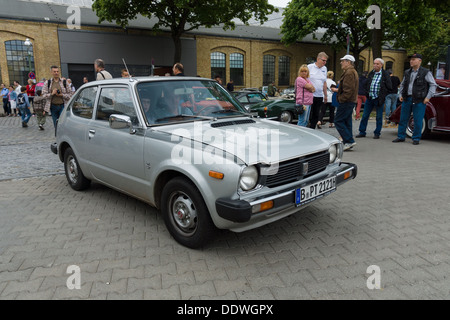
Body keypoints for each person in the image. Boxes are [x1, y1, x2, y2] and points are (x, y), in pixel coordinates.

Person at [393, 53, 437, 145]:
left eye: (413, 59)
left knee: (418, 119)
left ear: (419, 61)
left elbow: (433, 85)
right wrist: (400, 94)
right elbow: (403, 84)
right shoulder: (407, 72)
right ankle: (401, 136)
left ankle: (416, 138)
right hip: (407, 98)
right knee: (403, 119)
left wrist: (428, 97)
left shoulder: (426, 72)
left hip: (419, 99)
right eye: (411, 59)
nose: (411, 61)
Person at [356, 58, 392, 139]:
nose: (375, 65)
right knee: (365, 115)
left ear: (381, 65)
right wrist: (366, 92)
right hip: (370, 97)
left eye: (377, 64)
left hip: (379, 99)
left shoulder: (385, 74)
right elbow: (367, 83)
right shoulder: (371, 73)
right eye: (374, 63)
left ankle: (377, 133)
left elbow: (389, 87)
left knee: (379, 117)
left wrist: (383, 96)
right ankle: (362, 132)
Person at [334, 54, 359, 151]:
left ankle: (349, 140)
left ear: (348, 62)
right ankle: (348, 141)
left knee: (338, 120)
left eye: (343, 61)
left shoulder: (349, 73)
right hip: (350, 101)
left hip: (346, 101)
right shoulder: (352, 72)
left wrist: (341, 99)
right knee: (347, 121)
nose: (341, 63)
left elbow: (348, 90)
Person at [42, 65, 73, 130]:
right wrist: (52, 93)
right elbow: (44, 95)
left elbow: (71, 94)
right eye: (54, 71)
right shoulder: (48, 83)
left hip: (63, 105)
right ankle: (58, 137)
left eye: (57, 71)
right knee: (55, 124)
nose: (56, 73)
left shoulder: (64, 82)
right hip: (53, 106)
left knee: (62, 123)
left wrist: (62, 95)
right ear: (51, 72)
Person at [308, 52, 328, 129]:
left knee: (316, 114)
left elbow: (324, 82)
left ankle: (312, 129)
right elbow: (304, 80)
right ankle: (307, 127)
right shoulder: (310, 67)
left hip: (319, 95)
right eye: (323, 60)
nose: (325, 62)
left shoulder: (324, 69)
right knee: (309, 113)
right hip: (310, 95)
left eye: (326, 61)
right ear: (318, 59)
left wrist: (325, 95)